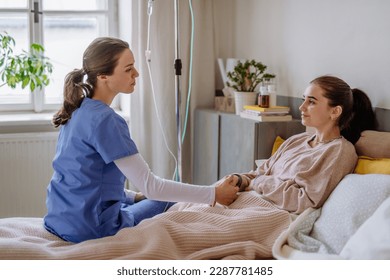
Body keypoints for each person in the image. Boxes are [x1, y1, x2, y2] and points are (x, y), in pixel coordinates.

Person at [44, 37, 239, 243]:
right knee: (166, 199)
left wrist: (133, 197)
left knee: (145, 198)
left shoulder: (77, 110)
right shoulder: (106, 120)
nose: (136, 73)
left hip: (60, 221)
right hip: (90, 230)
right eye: (128, 69)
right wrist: (214, 194)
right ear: (103, 76)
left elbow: (84, 179)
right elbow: (152, 187)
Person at [230, 75, 377, 214]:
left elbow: (306, 201)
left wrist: (259, 183)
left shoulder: (340, 151)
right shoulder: (297, 140)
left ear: (335, 111)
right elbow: (259, 174)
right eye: (303, 100)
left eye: (311, 102)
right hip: (248, 201)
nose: (301, 107)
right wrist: (237, 179)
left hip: (273, 214)